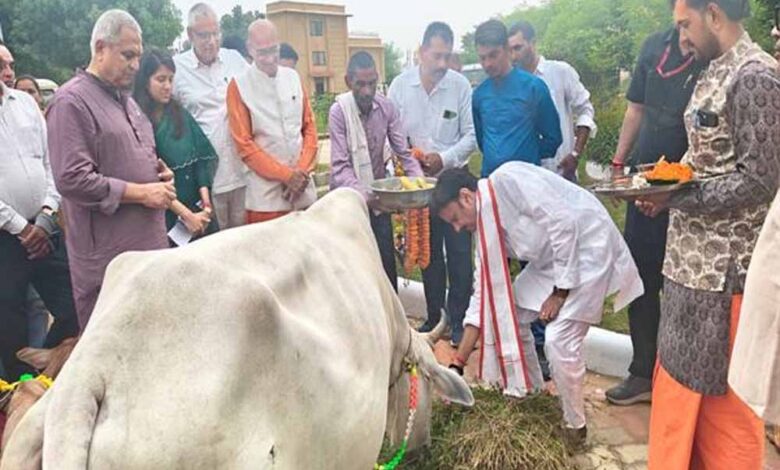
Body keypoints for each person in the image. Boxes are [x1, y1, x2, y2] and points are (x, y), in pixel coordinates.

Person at [635, 1, 780, 467]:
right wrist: (662, 184)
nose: (681, 38)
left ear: (714, 13)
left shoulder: (756, 77)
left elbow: (761, 180)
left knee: (725, 412)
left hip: (726, 280)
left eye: (685, 25)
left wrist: (678, 197)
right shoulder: (713, 69)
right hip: (688, 270)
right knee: (679, 395)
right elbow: (708, 161)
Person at [434, 164, 642, 447]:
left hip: (587, 249)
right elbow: (483, 297)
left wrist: (560, 291)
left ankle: (575, 426)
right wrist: (458, 364)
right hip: (551, 264)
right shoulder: (485, 228)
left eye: (456, 219)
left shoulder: (508, 180)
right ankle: (530, 393)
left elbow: (564, 222)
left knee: (557, 342)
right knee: (510, 312)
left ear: (467, 197)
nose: (457, 228)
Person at [47, 10, 173, 328]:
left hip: (148, 253)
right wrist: (143, 193)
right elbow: (72, 178)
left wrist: (159, 175)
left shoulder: (129, 103)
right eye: (127, 55)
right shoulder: (71, 101)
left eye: (138, 57)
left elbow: (135, 159)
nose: (135, 65)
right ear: (100, 48)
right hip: (109, 263)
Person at [605, 25, 703, 406]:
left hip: (689, 191)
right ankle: (643, 372)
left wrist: (673, 190)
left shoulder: (711, 52)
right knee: (640, 278)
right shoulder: (653, 44)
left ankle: (680, 379)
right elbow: (635, 109)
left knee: (681, 284)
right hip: (644, 182)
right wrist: (618, 164)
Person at [387, 22, 476, 345]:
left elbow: (471, 136)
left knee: (459, 254)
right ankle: (435, 316)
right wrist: (409, 163)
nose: (441, 63)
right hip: (418, 187)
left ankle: (460, 319)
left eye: (446, 56)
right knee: (428, 254)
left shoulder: (460, 86)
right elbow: (392, 134)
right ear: (421, 52)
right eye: (436, 55)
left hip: (453, 183)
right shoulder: (399, 87)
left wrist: (444, 158)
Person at [0, 72, 79, 382]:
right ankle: (19, 392)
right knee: (10, 319)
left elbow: (50, 163)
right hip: (6, 238)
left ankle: (46, 367)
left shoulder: (25, 104)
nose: (6, 68)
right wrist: (21, 228)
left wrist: (46, 215)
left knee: (75, 304)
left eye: (7, 62)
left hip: (44, 228)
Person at [328, 52, 423, 291]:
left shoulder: (386, 107)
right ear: (348, 82)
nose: (367, 91)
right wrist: (369, 198)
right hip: (348, 203)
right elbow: (340, 168)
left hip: (380, 203)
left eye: (372, 83)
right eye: (361, 84)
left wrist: (420, 184)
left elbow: (403, 152)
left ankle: (391, 322)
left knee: (385, 266)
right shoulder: (339, 112)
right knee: (354, 270)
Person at [227, 19, 318, 224]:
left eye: (273, 50)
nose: (269, 59)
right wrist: (286, 176)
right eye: (262, 52)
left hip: (303, 192)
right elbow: (244, 146)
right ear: (250, 49)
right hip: (266, 201)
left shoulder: (293, 77)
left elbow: (309, 128)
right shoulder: (239, 86)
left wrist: (301, 173)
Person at [174, 3, 250, 230]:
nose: (211, 41)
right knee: (215, 247)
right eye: (203, 35)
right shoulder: (177, 69)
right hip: (207, 182)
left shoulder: (235, 60)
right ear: (190, 35)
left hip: (242, 174)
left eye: (215, 33)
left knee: (245, 243)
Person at [134, 49, 218, 239]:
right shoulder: (137, 120)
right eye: (160, 79)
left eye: (171, 79)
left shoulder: (179, 113)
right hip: (165, 213)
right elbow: (148, 178)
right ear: (145, 81)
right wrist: (186, 215)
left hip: (198, 207)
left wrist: (206, 204)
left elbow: (200, 161)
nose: (167, 86)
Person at [471, 19, 561, 177]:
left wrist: (525, 154)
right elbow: (482, 141)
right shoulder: (480, 95)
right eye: (482, 58)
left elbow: (553, 139)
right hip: (491, 184)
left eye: (493, 55)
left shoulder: (534, 88)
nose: (487, 64)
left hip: (526, 183)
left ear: (507, 49)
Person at [508, 21, 596, 182]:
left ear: (533, 43)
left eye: (518, 48)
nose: (513, 55)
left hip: (563, 173)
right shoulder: (510, 84)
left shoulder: (560, 72)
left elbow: (585, 110)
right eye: (510, 50)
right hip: (527, 178)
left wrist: (575, 153)